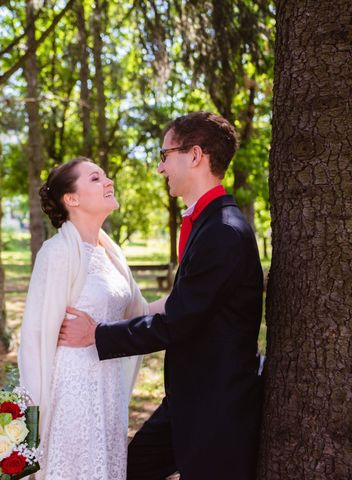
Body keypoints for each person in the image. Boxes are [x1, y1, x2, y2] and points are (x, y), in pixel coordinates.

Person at [59, 112, 264, 480]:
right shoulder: (206, 223)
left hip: (217, 406)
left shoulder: (222, 231)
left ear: (196, 155)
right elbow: (185, 302)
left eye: (166, 154)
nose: (160, 167)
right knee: (129, 469)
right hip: (189, 397)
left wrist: (97, 335)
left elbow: (179, 322)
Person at [18, 158, 161, 480]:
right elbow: (35, 338)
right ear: (72, 199)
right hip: (72, 390)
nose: (109, 181)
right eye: (96, 178)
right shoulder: (57, 253)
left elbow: (139, 312)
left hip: (109, 386)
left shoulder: (110, 253)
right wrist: (31, 417)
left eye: (106, 176)